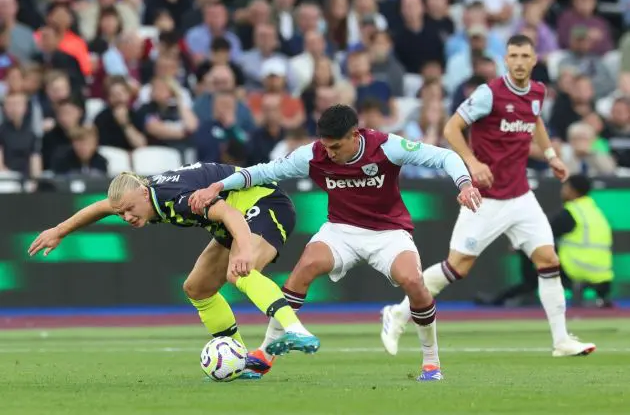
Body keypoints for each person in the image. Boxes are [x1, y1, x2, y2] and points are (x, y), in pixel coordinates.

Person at [189, 104, 482, 382]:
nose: (329, 154)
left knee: (414, 282)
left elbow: (445, 157)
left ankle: (431, 360)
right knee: (305, 267)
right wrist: (219, 185)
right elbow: (263, 171)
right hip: (341, 230)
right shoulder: (312, 155)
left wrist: (464, 183)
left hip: (388, 232)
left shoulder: (387, 146)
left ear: (355, 135)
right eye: (326, 146)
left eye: (336, 147)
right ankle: (265, 354)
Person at [378, 35, 596, 358]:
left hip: (521, 196)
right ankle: (397, 313)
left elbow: (534, 119)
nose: (520, 61)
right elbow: (452, 128)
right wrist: (474, 162)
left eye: (525, 55)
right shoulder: (489, 94)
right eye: (514, 56)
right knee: (456, 268)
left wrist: (550, 155)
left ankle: (561, 339)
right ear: (506, 60)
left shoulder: (537, 92)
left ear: (534, 60)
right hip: (485, 198)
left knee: (549, 260)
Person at [27, 163, 320, 380]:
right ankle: (240, 360)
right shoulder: (138, 195)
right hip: (233, 217)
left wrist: (243, 250)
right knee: (197, 288)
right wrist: (60, 230)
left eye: (129, 209)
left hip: (262, 203)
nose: (127, 217)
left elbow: (229, 214)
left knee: (238, 273)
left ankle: (296, 330)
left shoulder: (176, 199)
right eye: (121, 214)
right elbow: (102, 207)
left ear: (144, 193)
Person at [477, 175, 614, 308]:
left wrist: (518, 245)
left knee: (528, 246)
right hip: (602, 273)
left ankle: (527, 289)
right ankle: (522, 290)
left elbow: (541, 231)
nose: (562, 191)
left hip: (576, 267)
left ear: (572, 190)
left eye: (565, 187)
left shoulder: (572, 212)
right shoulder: (595, 211)